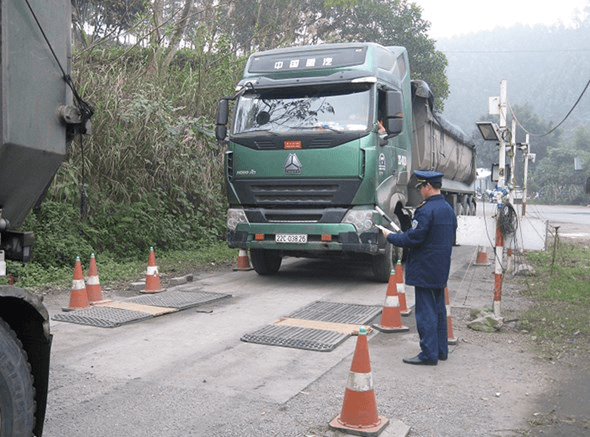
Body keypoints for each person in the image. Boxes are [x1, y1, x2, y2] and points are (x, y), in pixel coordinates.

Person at [379, 170, 457, 365]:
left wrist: (390, 237)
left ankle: (428, 354)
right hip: (440, 268)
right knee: (438, 310)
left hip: (425, 269)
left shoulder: (426, 210)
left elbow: (413, 238)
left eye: (421, 187)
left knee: (425, 313)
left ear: (428, 187)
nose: (420, 191)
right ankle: (440, 351)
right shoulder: (448, 209)